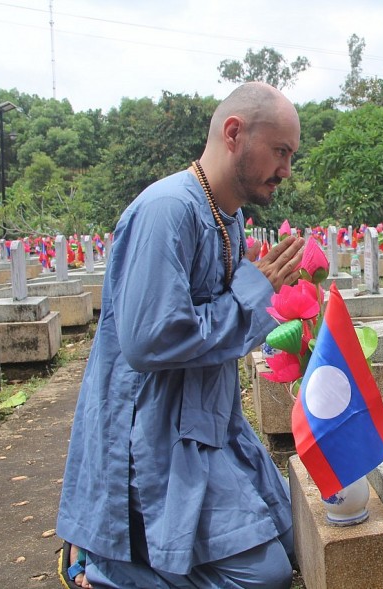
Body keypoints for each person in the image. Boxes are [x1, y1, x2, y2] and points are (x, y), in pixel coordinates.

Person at [56, 82, 305, 588]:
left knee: (298, 539)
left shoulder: (228, 218)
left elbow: (230, 313)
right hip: (154, 436)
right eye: (280, 152)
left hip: (210, 423)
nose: (286, 170)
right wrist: (251, 294)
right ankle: (104, 569)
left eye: (290, 155)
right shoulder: (168, 209)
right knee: (263, 578)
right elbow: (151, 341)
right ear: (234, 133)